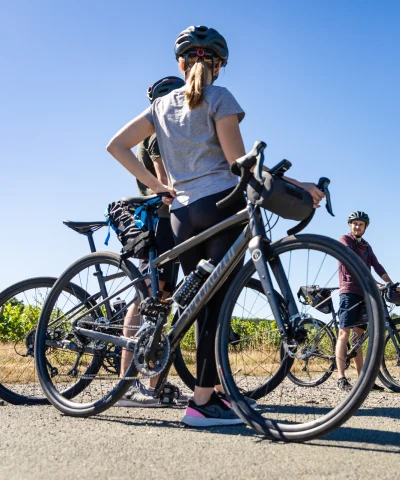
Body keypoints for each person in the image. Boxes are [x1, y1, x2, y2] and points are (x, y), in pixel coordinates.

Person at [107, 25, 323, 427]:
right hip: (221, 206)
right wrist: (298, 185)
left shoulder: (161, 106)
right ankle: (202, 404)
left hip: (182, 216)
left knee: (201, 306)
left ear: (181, 62)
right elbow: (239, 165)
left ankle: (215, 396)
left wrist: (160, 187)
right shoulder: (219, 98)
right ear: (219, 66)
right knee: (216, 309)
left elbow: (115, 145)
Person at [116, 76, 187, 408]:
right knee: (152, 298)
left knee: (154, 298)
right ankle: (133, 386)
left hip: (155, 221)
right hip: (160, 221)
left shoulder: (149, 133)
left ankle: (142, 383)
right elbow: (164, 180)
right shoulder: (160, 131)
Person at [335, 211, 397, 392]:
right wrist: (374, 282)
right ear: (349, 225)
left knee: (358, 338)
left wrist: (390, 284)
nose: (357, 226)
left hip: (364, 293)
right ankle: (341, 378)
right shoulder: (344, 240)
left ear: (365, 227)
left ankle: (363, 380)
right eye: (354, 223)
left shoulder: (367, 246)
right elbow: (351, 263)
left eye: (361, 224)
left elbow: (377, 265)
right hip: (349, 291)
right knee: (344, 334)